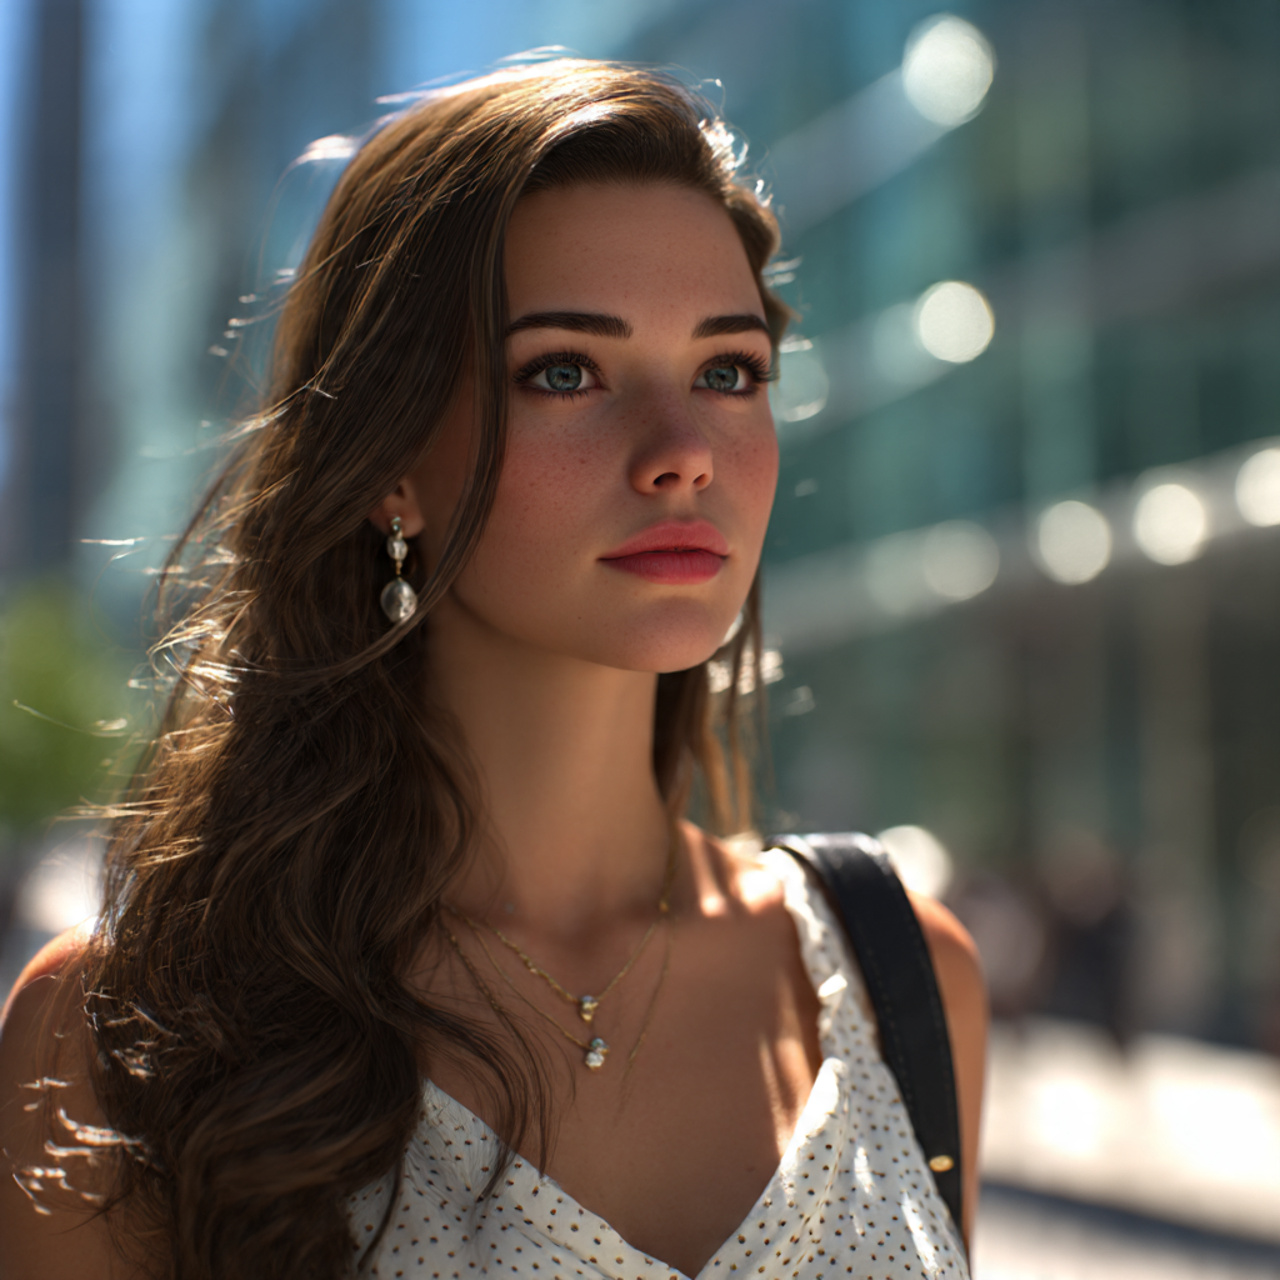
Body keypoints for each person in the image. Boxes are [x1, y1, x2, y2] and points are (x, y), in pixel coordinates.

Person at [0, 59, 987, 1280]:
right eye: (564, 371)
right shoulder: (123, 1037)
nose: (683, 452)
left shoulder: (904, 978)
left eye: (726, 371)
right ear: (386, 462)